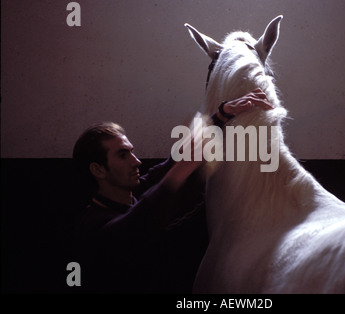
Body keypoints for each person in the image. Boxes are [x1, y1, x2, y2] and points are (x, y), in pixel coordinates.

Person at [71, 89, 273, 293]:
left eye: (132, 152)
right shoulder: (90, 227)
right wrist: (183, 168)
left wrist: (222, 115)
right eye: (123, 155)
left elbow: (169, 166)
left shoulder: (137, 190)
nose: (137, 161)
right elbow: (133, 226)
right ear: (98, 169)